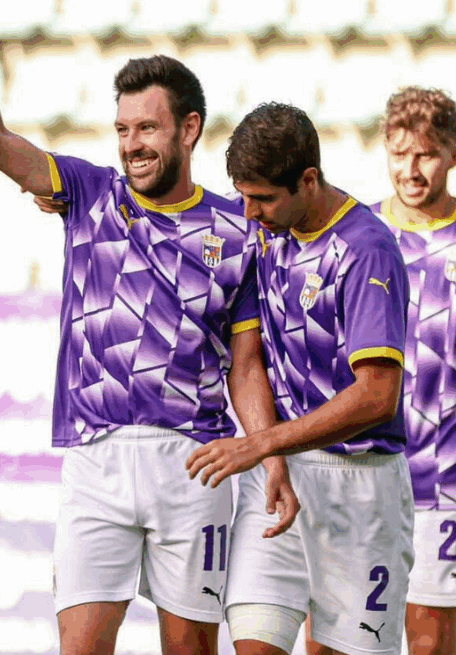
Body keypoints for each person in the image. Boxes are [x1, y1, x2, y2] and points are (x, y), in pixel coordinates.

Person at [0, 55, 298, 655]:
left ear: (188, 129)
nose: (131, 145)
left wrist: (270, 456)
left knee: (189, 648)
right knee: (80, 646)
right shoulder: (88, 193)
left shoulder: (238, 232)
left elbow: (245, 366)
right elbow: (11, 150)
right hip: (96, 460)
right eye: (122, 129)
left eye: (147, 128)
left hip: (194, 464)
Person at [185, 102, 414, 655]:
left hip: (362, 488)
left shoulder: (366, 249)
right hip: (280, 477)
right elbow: (251, 359)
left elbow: (378, 396)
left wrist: (262, 442)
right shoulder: (264, 234)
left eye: (262, 198)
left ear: (308, 180)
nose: (250, 211)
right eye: (243, 196)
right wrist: (272, 459)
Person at [365, 87, 456, 655]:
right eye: (400, 153)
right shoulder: (358, 236)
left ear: (454, 155)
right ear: (385, 148)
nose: (411, 169)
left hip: (445, 476)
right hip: (359, 471)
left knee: (430, 644)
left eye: (426, 154)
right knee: (338, 637)